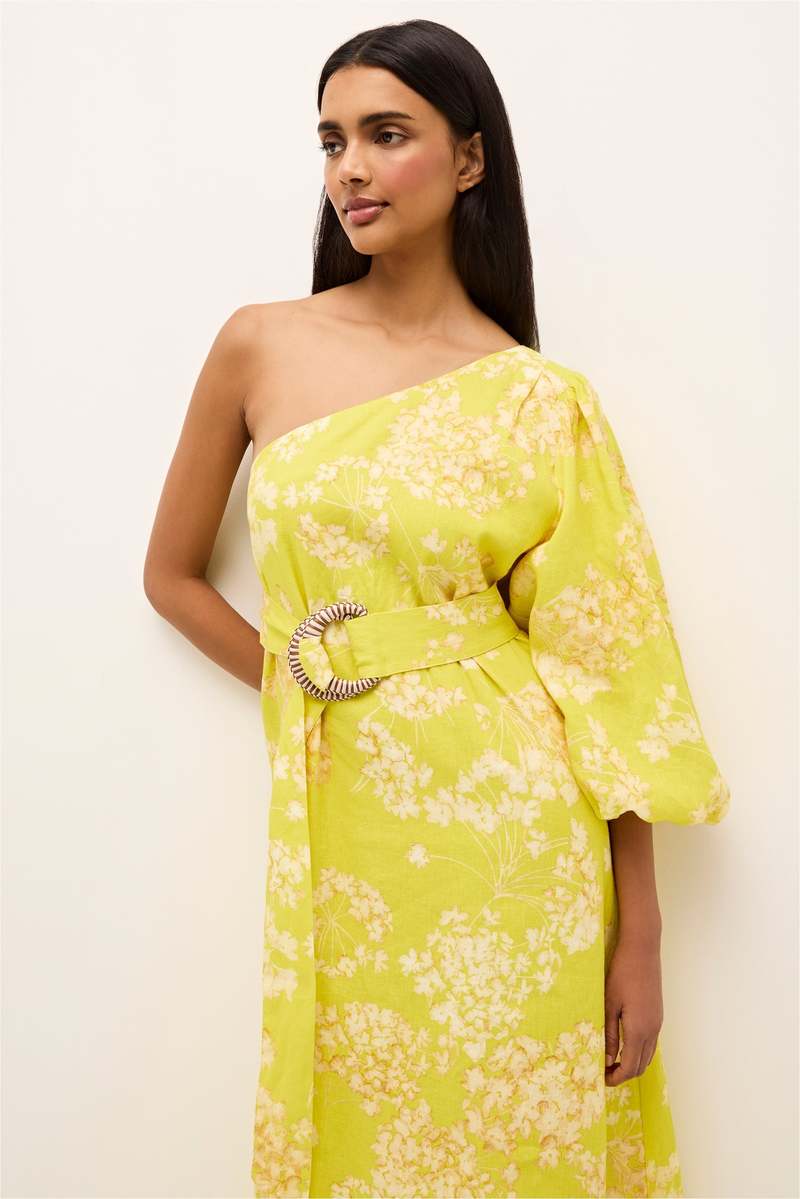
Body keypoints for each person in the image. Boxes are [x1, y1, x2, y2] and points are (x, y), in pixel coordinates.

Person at [143, 18, 730, 1199]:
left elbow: (614, 673)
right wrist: (308, 682)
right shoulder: (260, 344)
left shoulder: (538, 399)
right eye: (331, 141)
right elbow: (172, 576)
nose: (349, 168)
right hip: (345, 816)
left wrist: (640, 934)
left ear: (468, 159)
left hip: (520, 831)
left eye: (385, 134)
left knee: (514, 1141)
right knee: (356, 1124)